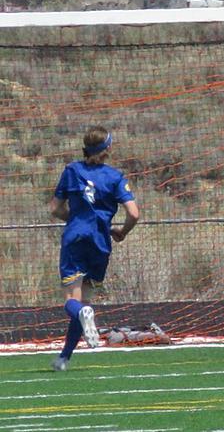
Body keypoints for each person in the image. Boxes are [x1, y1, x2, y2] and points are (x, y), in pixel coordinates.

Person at [49, 126, 140, 371]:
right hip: (101, 242)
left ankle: (77, 326)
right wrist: (122, 231)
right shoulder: (115, 177)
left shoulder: (72, 171)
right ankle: (64, 358)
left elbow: (55, 208)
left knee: (73, 301)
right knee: (85, 301)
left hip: (75, 238)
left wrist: (74, 218)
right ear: (107, 148)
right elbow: (134, 213)